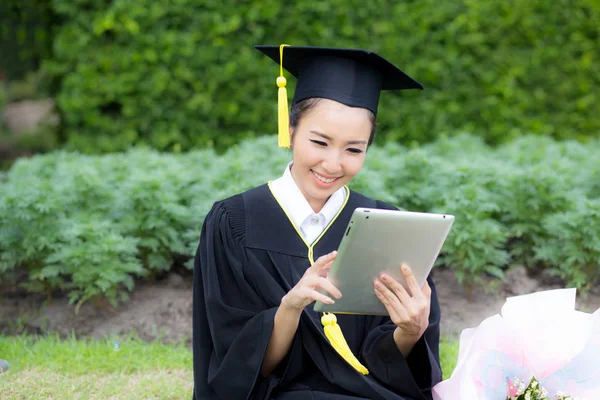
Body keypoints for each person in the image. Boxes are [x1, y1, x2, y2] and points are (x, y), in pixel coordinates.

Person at [192, 45, 442, 400]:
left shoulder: (388, 228)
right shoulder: (235, 223)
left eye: (354, 149)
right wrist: (291, 307)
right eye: (319, 142)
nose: (332, 163)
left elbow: (389, 372)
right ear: (291, 129)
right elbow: (239, 368)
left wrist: (411, 330)